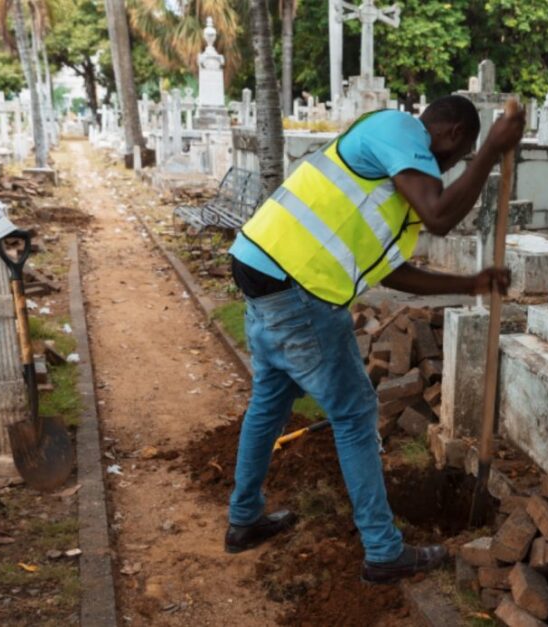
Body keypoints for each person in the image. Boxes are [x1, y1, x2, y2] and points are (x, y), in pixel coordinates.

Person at [224, 95, 526, 584]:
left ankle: (243, 520)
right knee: (355, 414)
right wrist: (492, 149)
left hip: (265, 270)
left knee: (271, 399)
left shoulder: (393, 187)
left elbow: (394, 272)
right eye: (460, 154)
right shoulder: (399, 130)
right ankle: (384, 551)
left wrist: (468, 284)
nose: (447, 169)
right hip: (299, 286)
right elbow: (440, 216)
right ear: (448, 134)